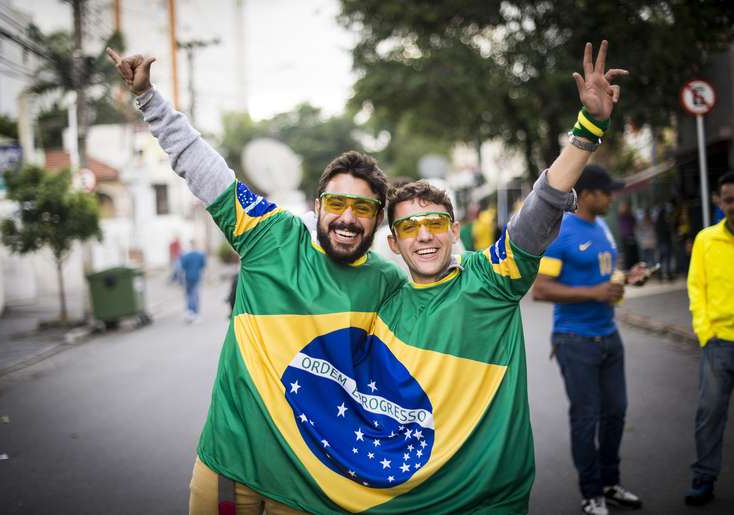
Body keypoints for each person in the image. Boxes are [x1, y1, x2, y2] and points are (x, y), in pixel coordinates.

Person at [107, 49, 407, 514]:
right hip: (232, 466)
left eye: (363, 208)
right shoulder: (271, 236)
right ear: (318, 205)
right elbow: (203, 167)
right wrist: (148, 97)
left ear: (378, 218)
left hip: (318, 476)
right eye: (336, 204)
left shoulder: (387, 280)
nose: (347, 218)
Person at [346, 40, 624, 513]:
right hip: (409, 499)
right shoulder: (383, 302)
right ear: (393, 243)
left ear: (454, 231)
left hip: (492, 501)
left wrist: (589, 127)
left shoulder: (491, 278)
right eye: (409, 228)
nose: (424, 236)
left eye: (435, 223)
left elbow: (541, 208)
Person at [532, 164, 649, 515]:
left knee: (616, 413)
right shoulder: (561, 232)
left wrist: (627, 277)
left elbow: (601, 274)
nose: (612, 197)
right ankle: (591, 492)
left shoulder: (602, 227)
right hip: (575, 340)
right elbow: (541, 290)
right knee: (586, 418)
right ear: (586, 195)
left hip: (608, 335)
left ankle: (610, 483)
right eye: (606, 192)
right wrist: (595, 292)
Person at [684, 171, 734, 506]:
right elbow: (696, 288)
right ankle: (704, 478)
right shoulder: (706, 240)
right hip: (718, 343)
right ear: (719, 201)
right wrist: (706, 332)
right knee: (710, 414)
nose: (733, 205)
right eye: (728, 199)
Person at [179, 240, 206, 322]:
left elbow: (182, 267)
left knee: (188, 295)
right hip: (196, 277)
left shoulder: (185, 255)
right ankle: (194, 312)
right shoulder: (200, 255)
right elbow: (203, 266)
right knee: (195, 295)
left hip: (187, 277)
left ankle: (189, 311)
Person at [617, 200, 639, 269]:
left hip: (631, 237)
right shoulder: (621, 216)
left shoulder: (631, 216)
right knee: (628, 257)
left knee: (634, 257)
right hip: (625, 238)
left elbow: (635, 223)